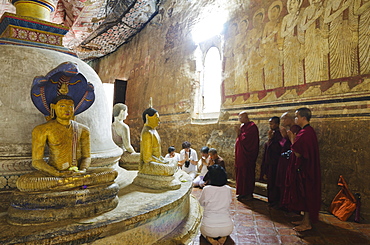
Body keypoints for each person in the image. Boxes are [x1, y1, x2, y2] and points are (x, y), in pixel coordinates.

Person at [16, 95, 118, 192]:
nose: (67, 110)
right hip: (54, 174)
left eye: (70, 106)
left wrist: (82, 170)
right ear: (53, 107)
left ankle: (67, 184)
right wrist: (58, 173)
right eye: (62, 106)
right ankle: (75, 184)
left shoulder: (83, 130)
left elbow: (86, 157)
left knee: (112, 172)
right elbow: (37, 161)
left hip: (78, 173)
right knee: (24, 182)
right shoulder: (42, 130)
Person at [284, 107, 321, 231]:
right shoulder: (307, 131)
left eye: (296, 116)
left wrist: (291, 139)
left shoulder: (306, 133)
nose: (295, 119)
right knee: (304, 194)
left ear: (303, 118)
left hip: (306, 170)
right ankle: (305, 220)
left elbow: (299, 153)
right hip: (306, 169)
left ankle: (307, 223)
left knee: (307, 194)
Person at [199, 164, 233, 245]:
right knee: (227, 224)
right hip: (227, 228)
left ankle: (209, 238)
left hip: (209, 229)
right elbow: (229, 202)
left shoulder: (206, 189)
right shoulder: (228, 189)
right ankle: (224, 237)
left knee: (200, 226)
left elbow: (200, 203)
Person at [138, 107, 178, 176]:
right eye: (156, 117)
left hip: (156, 160)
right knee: (169, 169)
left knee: (174, 161)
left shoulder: (153, 130)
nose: (159, 120)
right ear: (147, 117)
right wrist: (161, 162)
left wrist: (162, 160)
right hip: (148, 164)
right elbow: (147, 158)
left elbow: (157, 155)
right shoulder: (147, 133)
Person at [277, 112, 301, 208]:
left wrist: (286, 137)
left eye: (284, 119)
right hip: (285, 158)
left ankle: (290, 206)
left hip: (292, 159)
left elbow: (294, 145)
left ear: (290, 119)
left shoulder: (296, 129)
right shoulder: (289, 130)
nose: (283, 122)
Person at [235, 111, 260, 201]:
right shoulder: (243, 126)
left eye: (240, 118)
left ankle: (248, 193)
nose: (239, 119)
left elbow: (247, 140)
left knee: (247, 174)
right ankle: (242, 192)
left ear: (246, 117)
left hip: (247, 156)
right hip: (241, 156)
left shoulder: (252, 127)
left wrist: (239, 133)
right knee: (240, 173)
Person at [260, 116, 282, 207]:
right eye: (269, 123)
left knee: (274, 183)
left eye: (272, 123)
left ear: (277, 124)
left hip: (275, 163)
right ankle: (271, 200)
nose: (270, 125)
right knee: (270, 183)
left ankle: (275, 201)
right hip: (269, 163)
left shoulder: (279, 134)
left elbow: (278, 147)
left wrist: (271, 139)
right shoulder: (272, 133)